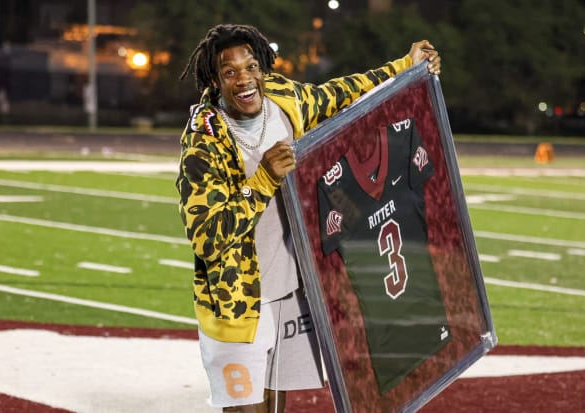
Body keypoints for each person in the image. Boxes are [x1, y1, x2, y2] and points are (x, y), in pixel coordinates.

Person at [176, 23, 441, 413]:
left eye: (252, 67)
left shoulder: (285, 99)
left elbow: (340, 94)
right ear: (215, 80)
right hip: (238, 304)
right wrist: (262, 180)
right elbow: (207, 238)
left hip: (291, 292)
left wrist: (405, 66)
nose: (245, 79)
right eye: (230, 72)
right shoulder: (204, 144)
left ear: (263, 67)